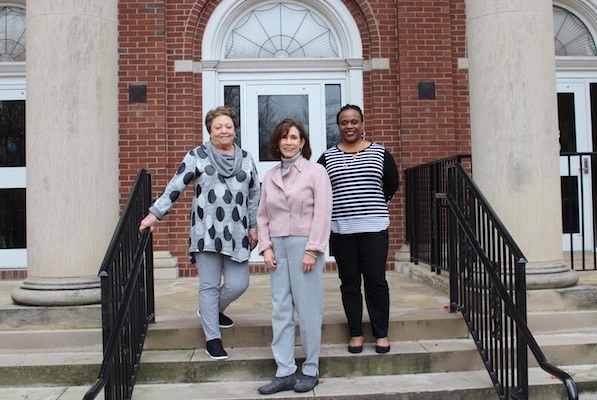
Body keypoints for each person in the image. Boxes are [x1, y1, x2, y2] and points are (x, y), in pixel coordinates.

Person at [139, 106, 260, 360]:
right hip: (206, 231)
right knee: (209, 285)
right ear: (210, 130)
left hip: (237, 232)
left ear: (235, 129)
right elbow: (176, 186)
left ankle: (211, 311)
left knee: (239, 283)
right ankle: (212, 338)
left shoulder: (247, 159)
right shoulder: (197, 155)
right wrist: (154, 214)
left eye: (228, 126)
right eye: (218, 127)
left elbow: (253, 195)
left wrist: (253, 226)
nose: (224, 130)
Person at [256, 118, 332, 395]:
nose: (288, 142)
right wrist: (265, 247)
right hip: (277, 247)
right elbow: (262, 215)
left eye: (294, 137)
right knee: (281, 309)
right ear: (277, 143)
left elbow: (323, 213)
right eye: (283, 138)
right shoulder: (270, 175)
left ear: (302, 142)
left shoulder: (316, 172)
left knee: (309, 310)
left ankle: (310, 368)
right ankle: (285, 371)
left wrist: (313, 249)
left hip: (305, 247)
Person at [317, 104, 399, 355]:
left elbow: (392, 184)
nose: (349, 126)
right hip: (342, 231)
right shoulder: (327, 157)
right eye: (344, 122)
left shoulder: (380, 153)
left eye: (354, 121)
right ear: (338, 126)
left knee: (375, 282)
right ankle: (355, 333)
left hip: (374, 229)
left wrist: (372, 204)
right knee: (349, 283)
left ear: (362, 124)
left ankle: (381, 334)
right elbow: (320, 190)